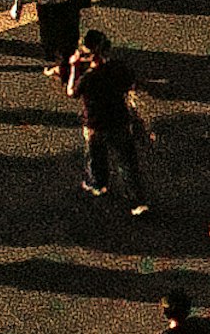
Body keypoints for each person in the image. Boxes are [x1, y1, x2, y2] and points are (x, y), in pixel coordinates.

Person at [64, 29, 152, 215]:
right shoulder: (118, 68)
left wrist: (74, 67)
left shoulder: (88, 78)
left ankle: (98, 183)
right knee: (127, 162)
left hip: (96, 124)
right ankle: (137, 201)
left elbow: (71, 92)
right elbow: (131, 83)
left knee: (96, 156)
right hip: (119, 120)